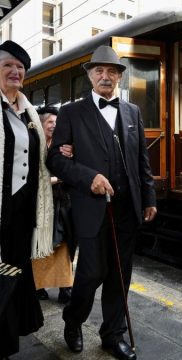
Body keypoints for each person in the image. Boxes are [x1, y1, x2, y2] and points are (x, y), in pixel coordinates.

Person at [46, 45, 157, 360]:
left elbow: (141, 161)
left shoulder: (133, 111)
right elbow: (56, 159)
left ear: (120, 76)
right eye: (99, 71)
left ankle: (113, 335)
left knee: (120, 275)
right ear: (90, 76)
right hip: (91, 208)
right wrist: (87, 177)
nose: (105, 76)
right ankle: (73, 319)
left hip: (126, 208)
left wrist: (148, 197)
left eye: (112, 71)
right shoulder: (70, 112)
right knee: (92, 272)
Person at [0, 41, 54, 358]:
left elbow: (40, 159)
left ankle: (6, 344)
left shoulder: (28, 111)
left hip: (23, 213)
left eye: (20, 67)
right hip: (1, 209)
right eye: (8, 65)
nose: (15, 71)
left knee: (13, 274)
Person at [32, 104, 74, 304]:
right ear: (41, 123)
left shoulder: (62, 145)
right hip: (39, 205)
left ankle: (66, 287)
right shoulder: (34, 143)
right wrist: (54, 179)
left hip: (61, 203)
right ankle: (38, 286)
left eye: (56, 123)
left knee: (64, 245)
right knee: (41, 245)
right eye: (50, 122)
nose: (54, 126)